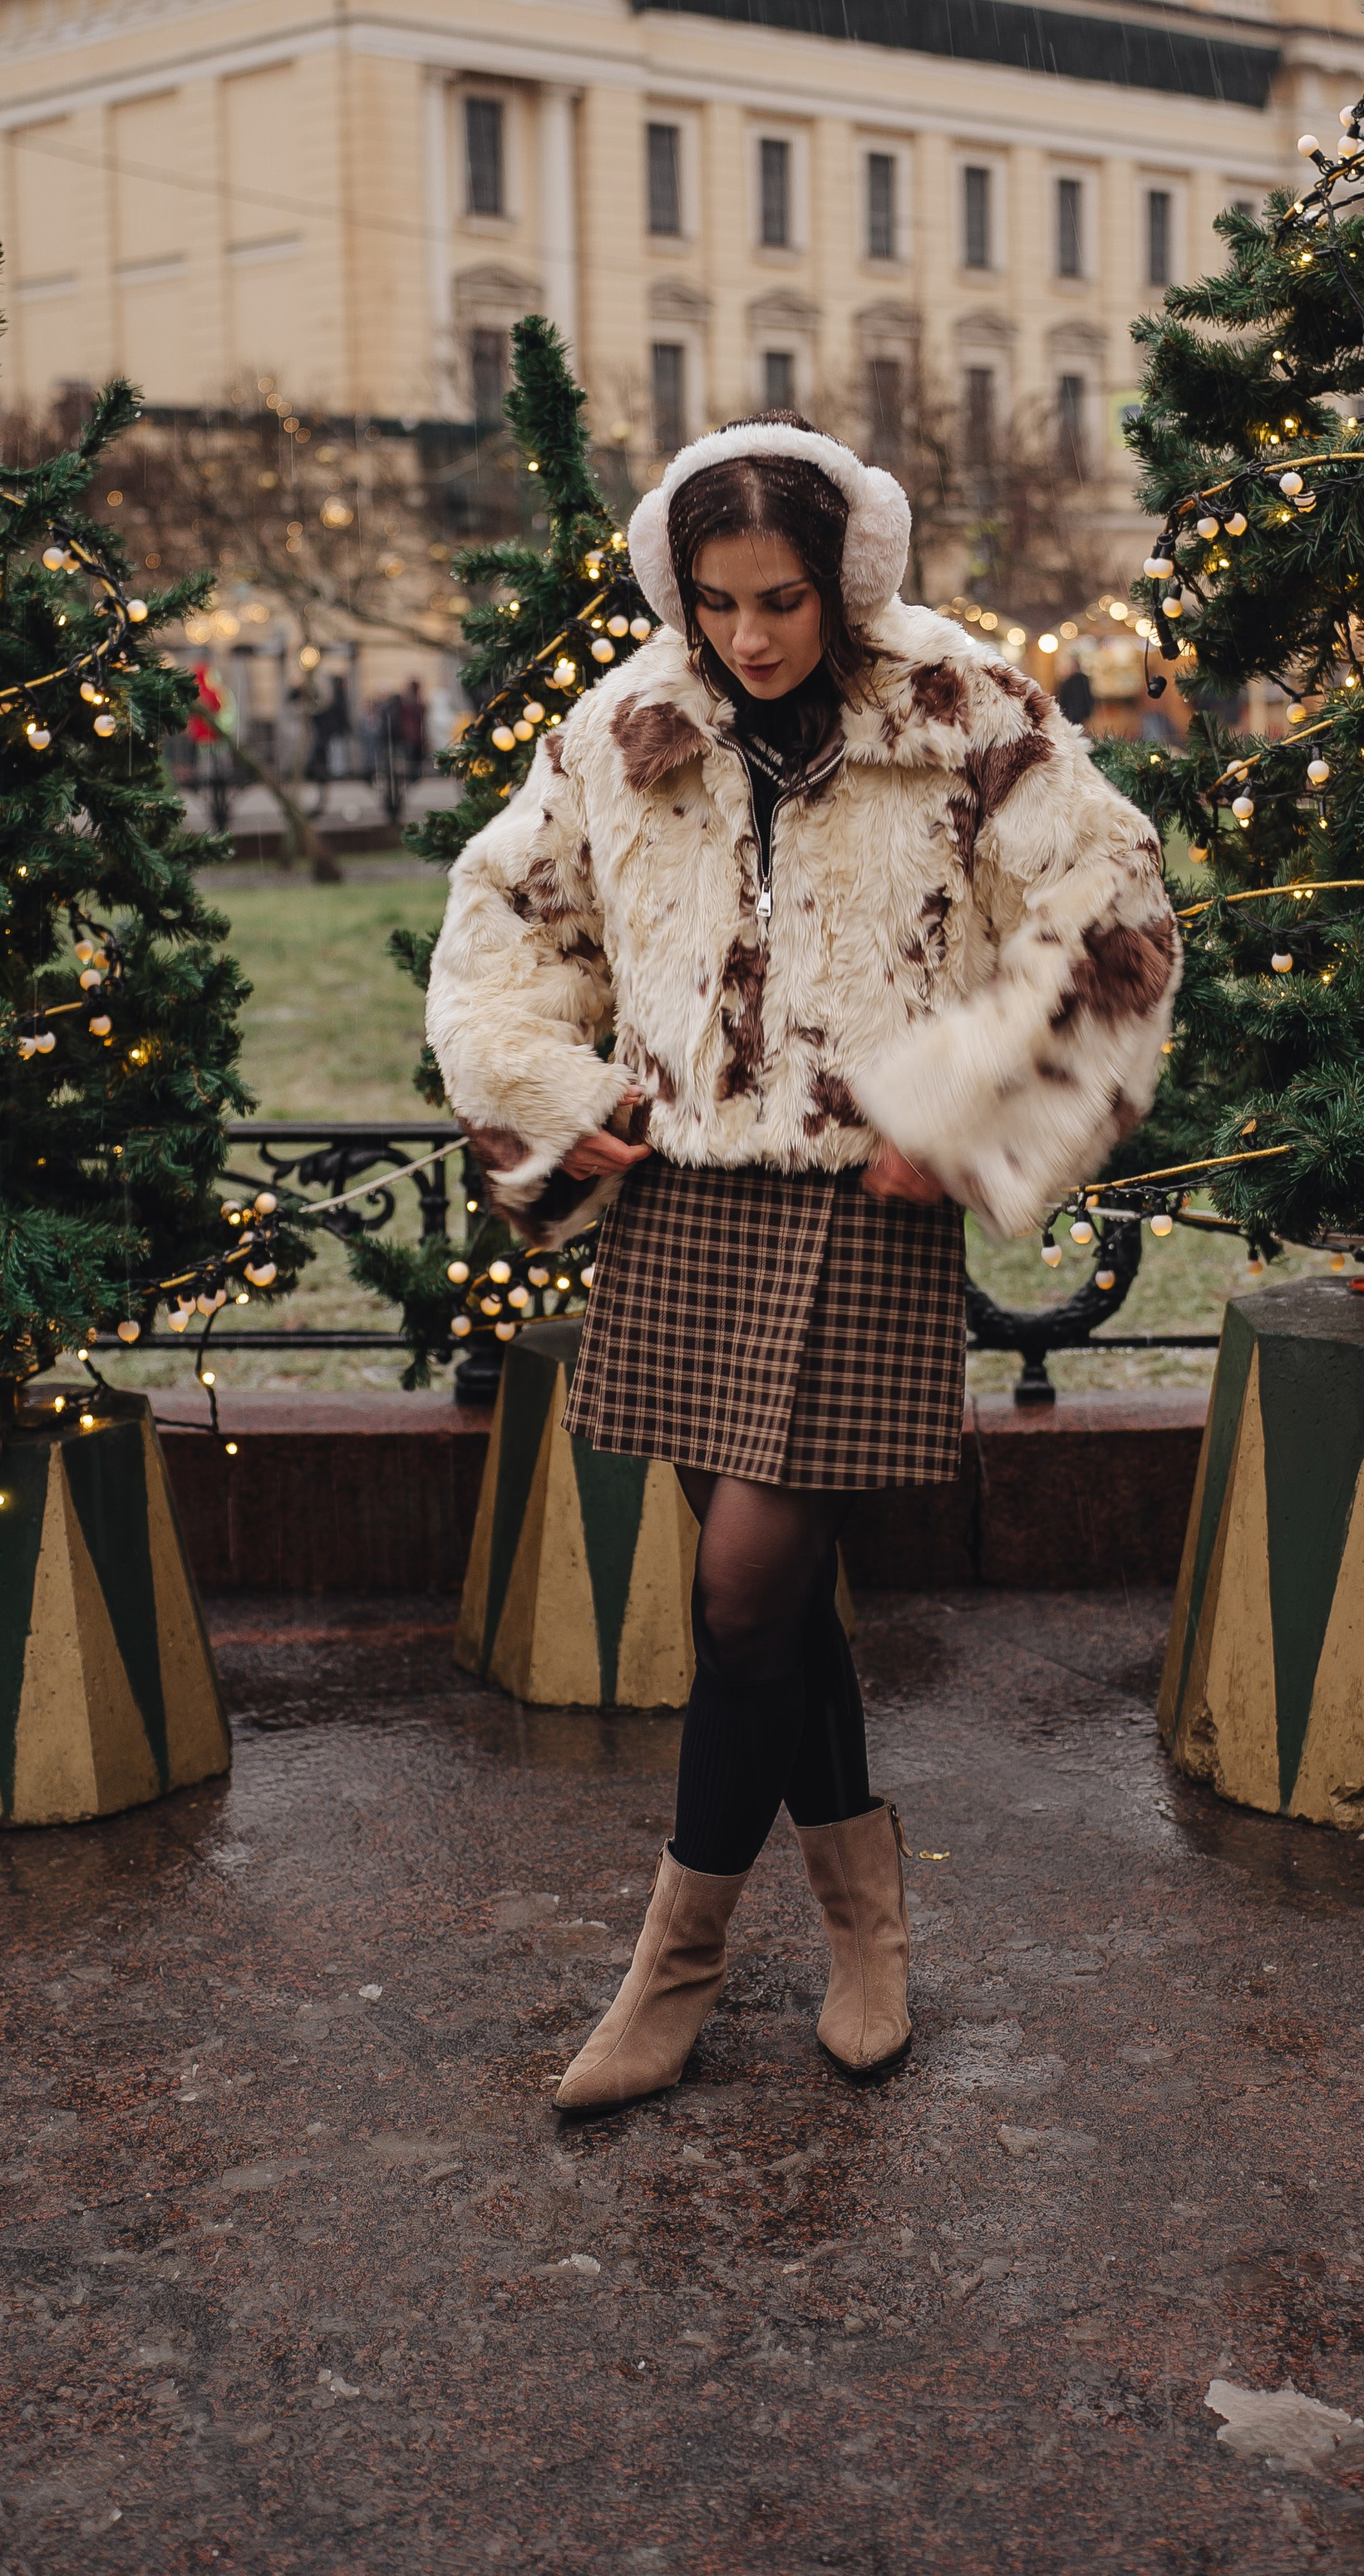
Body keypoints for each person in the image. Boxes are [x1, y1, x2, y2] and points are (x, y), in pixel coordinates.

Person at [426, 413, 1179, 2112]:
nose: (747, 637)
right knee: (775, 1622)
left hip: (863, 1198)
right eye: (715, 603)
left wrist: (966, 1102)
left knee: (745, 1598)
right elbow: (505, 924)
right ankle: (865, 1924)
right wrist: (554, 1091)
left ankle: (670, 1972)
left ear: (843, 583)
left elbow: (1115, 912)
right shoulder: (626, 728)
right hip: (690, 1194)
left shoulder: (963, 712)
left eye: (778, 599)